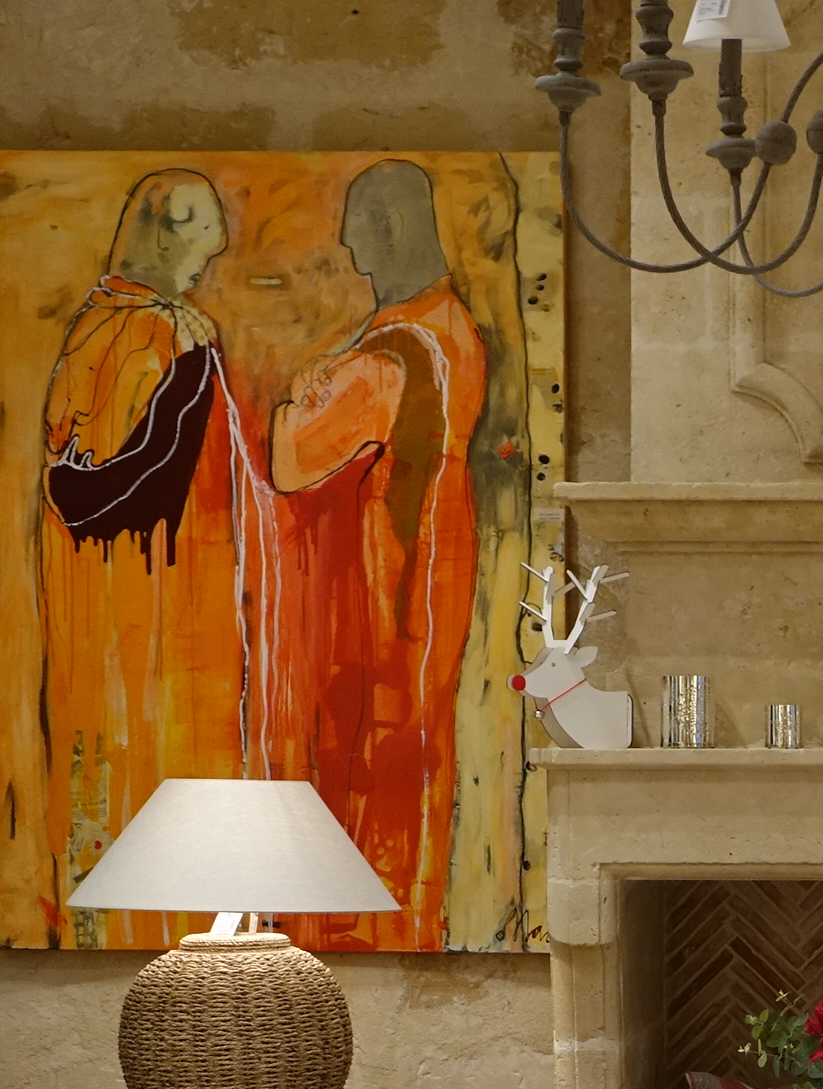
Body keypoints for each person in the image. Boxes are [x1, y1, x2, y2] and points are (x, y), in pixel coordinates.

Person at [267, 160, 486, 952]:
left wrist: (301, 394)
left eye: (358, 234)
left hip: (380, 594)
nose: (353, 255)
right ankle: (404, 926)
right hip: (431, 583)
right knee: (413, 760)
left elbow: (292, 456)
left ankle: (356, 935)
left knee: (366, 764)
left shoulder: (393, 351)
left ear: (390, 228)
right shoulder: (454, 327)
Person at [35, 169, 254, 947]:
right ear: (162, 236)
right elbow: (115, 490)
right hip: (146, 599)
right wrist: (195, 373)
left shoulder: (114, 326)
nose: (206, 265)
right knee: (141, 759)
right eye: (199, 247)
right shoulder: (152, 336)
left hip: (137, 602)